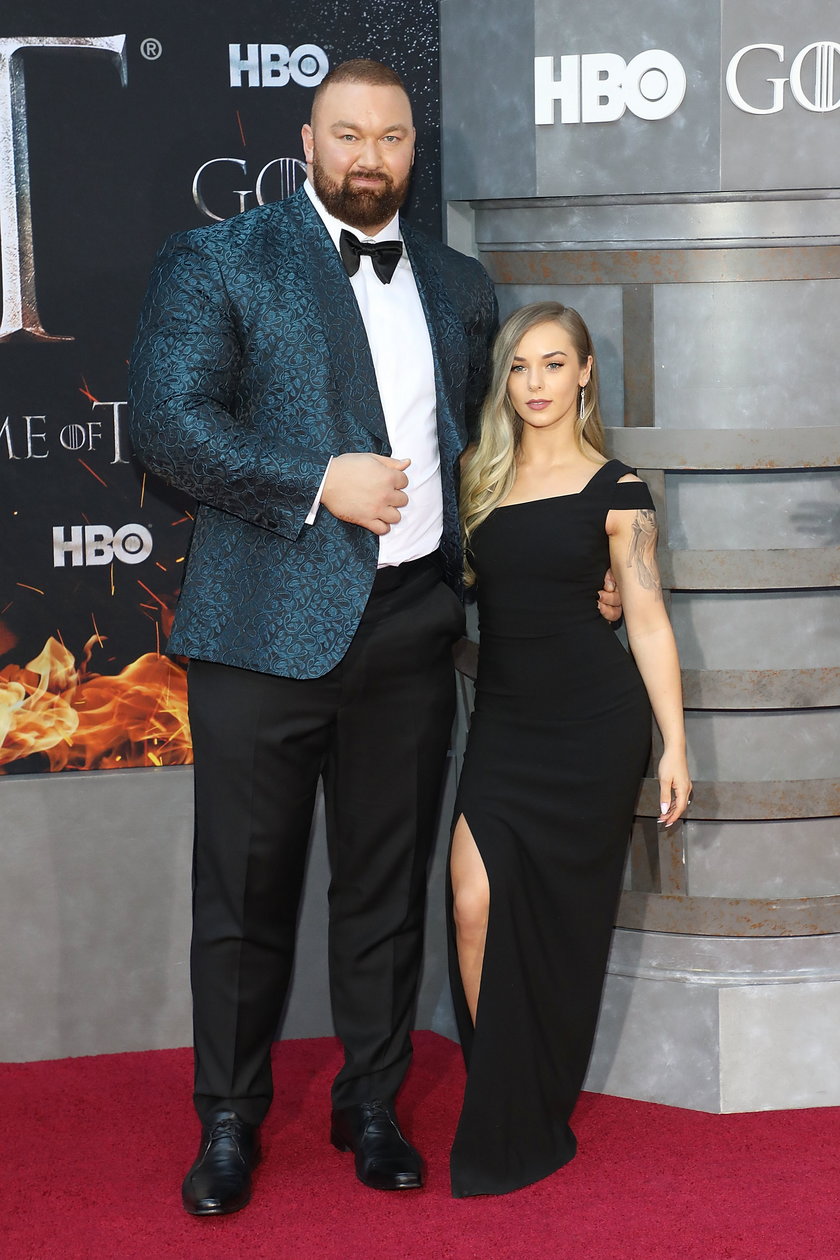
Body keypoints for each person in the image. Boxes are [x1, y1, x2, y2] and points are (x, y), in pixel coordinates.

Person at [129, 61, 619, 1214]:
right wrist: (316, 481)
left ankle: (372, 1103)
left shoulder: (458, 283)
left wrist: (580, 564)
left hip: (410, 629)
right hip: (260, 635)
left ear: (412, 148)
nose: (369, 156)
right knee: (242, 898)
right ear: (308, 142)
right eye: (346, 134)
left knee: (388, 891)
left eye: (390, 137)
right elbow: (165, 423)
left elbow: (496, 456)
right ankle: (229, 1121)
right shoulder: (220, 259)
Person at [448, 301, 691, 1197]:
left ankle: (524, 1105)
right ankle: (510, 1097)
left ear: (586, 372)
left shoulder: (620, 491)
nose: (536, 384)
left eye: (554, 364)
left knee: (562, 923)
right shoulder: (476, 475)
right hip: (505, 725)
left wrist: (675, 743)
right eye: (520, 367)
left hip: (594, 727)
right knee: (473, 902)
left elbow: (648, 618)